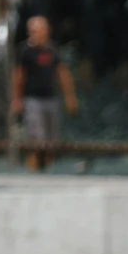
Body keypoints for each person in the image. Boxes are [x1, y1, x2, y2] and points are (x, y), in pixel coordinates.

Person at [11, 14, 78, 170]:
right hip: (32, 99)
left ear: (46, 30)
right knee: (36, 139)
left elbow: (62, 73)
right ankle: (32, 169)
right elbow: (18, 76)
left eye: (38, 29)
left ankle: (48, 170)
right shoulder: (25, 51)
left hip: (51, 98)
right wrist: (16, 99)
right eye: (32, 30)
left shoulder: (53, 49)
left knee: (52, 140)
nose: (35, 32)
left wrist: (70, 96)